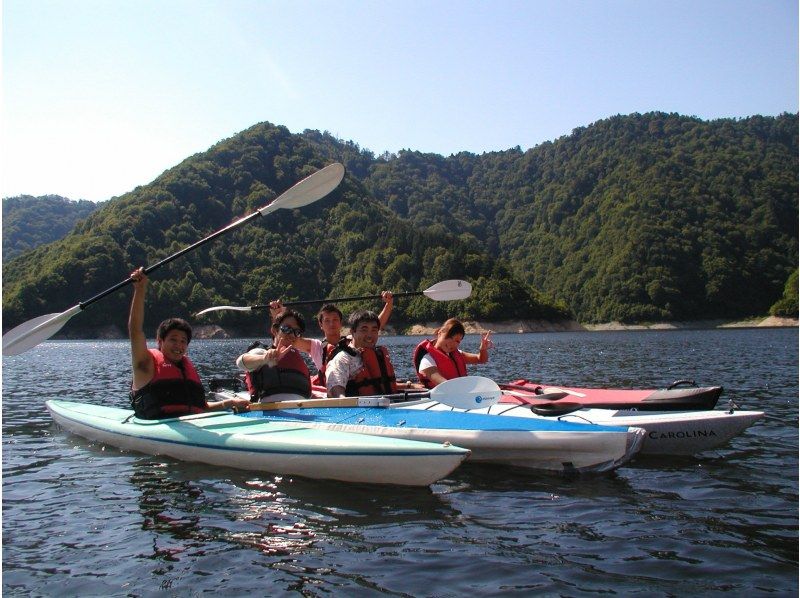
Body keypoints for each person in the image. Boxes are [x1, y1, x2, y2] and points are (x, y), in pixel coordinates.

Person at [128, 267, 249, 419]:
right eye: (173, 339)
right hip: (157, 426)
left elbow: (202, 407)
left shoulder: (186, 367)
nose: (178, 345)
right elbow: (135, 331)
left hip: (193, 427)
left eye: (183, 341)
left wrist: (230, 403)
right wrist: (140, 289)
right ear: (160, 341)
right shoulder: (145, 365)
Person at [269, 292, 394, 385]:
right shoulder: (315, 346)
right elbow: (285, 337)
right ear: (321, 325)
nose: (331, 324)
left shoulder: (352, 340)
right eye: (327, 321)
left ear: (341, 323)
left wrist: (388, 304)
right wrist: (278, 315)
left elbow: (375, 326)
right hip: (330, 390)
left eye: (335, 320)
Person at [326, 310, 424, 398]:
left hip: (388, 409)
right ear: (353, 332)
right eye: (364, 329)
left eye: (374, 330)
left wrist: (409, 385)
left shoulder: (379, 355)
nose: (369, 335)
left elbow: (381, 383)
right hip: (360, 412)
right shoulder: (342, 359)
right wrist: (343, 401)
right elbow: (336, 390)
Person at [236, 308, 313, 402]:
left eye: (296, 332)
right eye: (286, 329)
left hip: (303, 411)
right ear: (275, 330)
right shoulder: (262, 353)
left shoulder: (301, 362)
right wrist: (265, 359)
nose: (292, 335)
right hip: (271, 413)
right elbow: (240, 362)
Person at [412, 318, 494, 389]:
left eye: (457, 341)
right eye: (450, 337)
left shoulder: (456, 354)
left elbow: (481, 359)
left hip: (459, 396)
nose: (453, 344)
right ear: (440, 333)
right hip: (441, 399)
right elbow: (444, 385)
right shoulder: (427, 360)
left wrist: (483, 349)